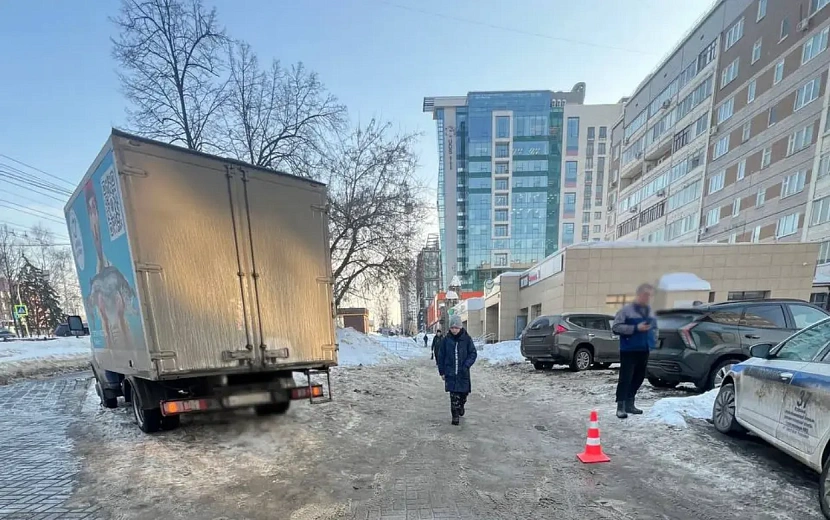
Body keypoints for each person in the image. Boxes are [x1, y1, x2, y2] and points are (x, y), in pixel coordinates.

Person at [612, 283, 658, 419]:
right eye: (645, 294)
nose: (647, 298)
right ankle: (621, 406)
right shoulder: (626, 310)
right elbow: (616, 327)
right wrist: (635, 328)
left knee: (639, 377)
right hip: (629, 350)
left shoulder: (650, 311)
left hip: (644, 349)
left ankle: (630, 403)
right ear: (638, 295)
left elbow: (654, 328)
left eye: (650, 295)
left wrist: (653, 340)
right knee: (625, 378)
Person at [437, 316, 477, 426]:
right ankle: (455, 416)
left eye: (456, 328)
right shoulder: (446, 340)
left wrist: (466, 365)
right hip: (450, 373)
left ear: (460, 327)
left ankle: (461, 405)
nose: (454, 330)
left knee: (463, 394)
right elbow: (441, 356)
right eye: (452, 327)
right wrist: (442, 371)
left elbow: (473, 353)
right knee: (453, 396)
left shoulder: (467, 339)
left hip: (463, 373)